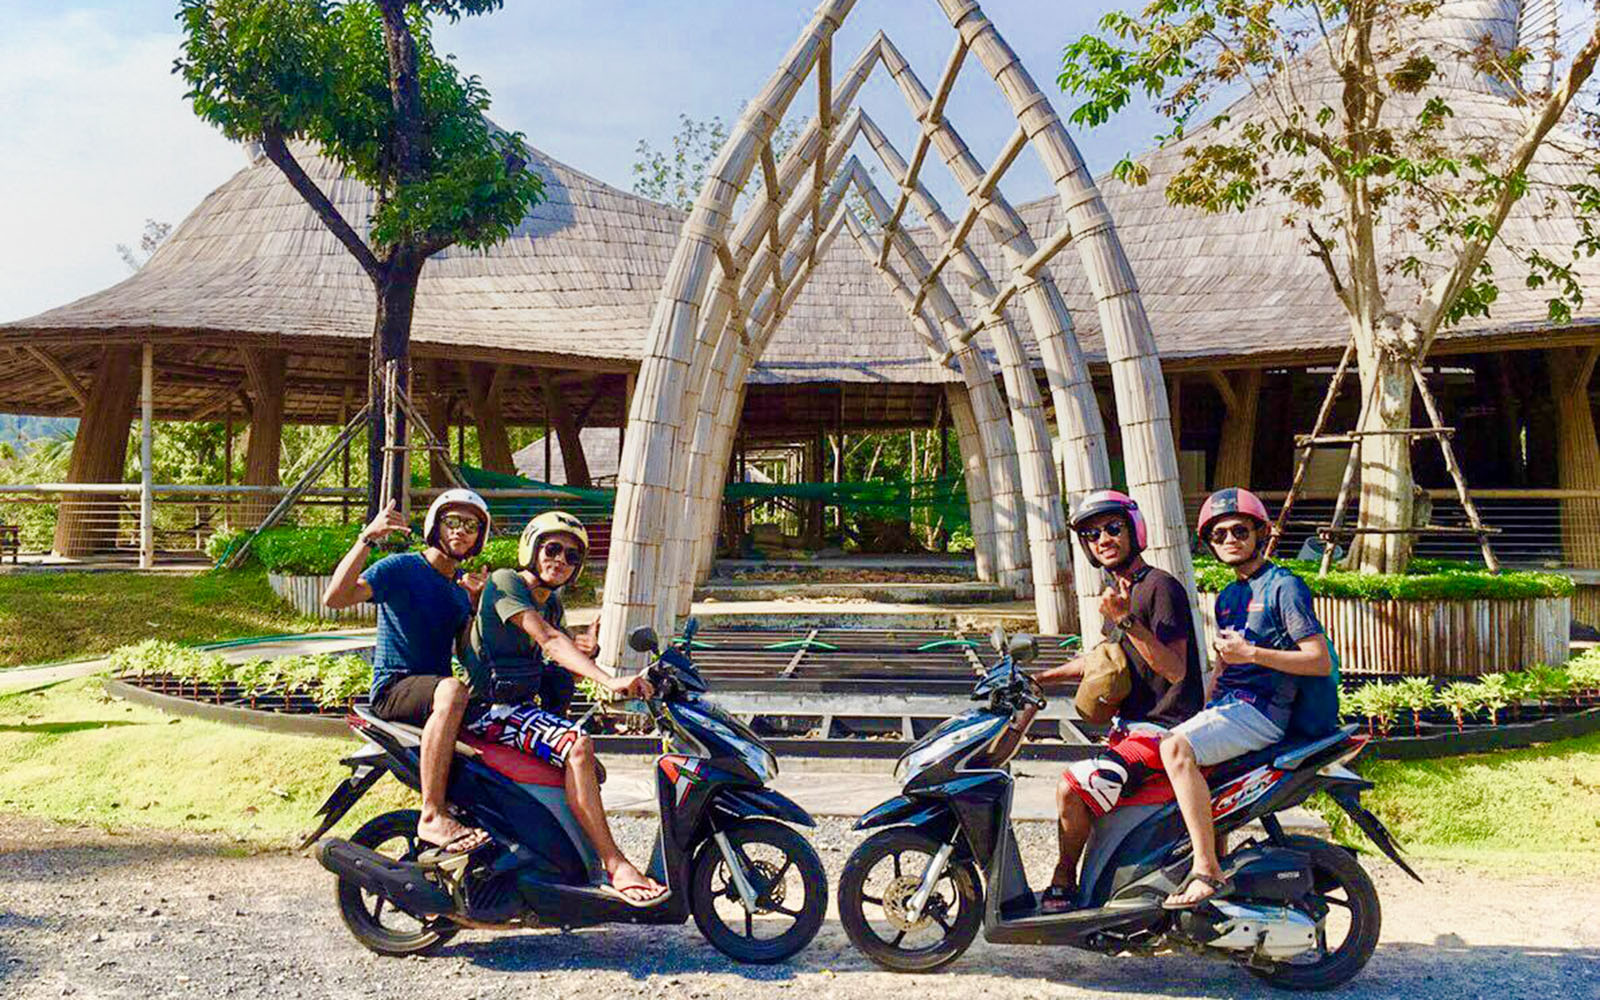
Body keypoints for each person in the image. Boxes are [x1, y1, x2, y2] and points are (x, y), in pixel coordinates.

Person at [460, 511, 666, 905]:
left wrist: (587, 649)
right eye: (552, 549)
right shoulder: (506, 582)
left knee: (586, 762)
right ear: (533, 550)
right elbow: (549, 640)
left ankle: (566, 861)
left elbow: (556, 655)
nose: (560, 560)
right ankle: (615, 863)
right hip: (490, 711)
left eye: (572, 556)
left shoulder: (550, 603)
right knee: (578, 746)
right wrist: (608, 678)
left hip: (517, 710)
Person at [1028, 490, 1204, 913]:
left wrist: (1126, 619)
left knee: (1072, 788)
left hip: (1162, 733)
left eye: (1112, 528)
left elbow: (1176, 669)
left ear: (1133, 530)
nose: (1103, 539)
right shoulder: (1121, 592)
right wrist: (1040, 678)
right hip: (1131, 733)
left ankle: (1064, 879)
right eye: (1091, 534)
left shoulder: (1159, 587)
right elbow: (1105, 660)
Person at [1160, 487, 1332, 909]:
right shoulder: (1228, 597)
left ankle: (1207, 870)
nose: (1229, 540)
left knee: (1176, 748)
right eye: (1218, 536)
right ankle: (1211, 863)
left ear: (1261, 532)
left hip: (1264, 710)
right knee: (1165, 753)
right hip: (1231, 707)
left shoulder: (1285, 587)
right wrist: (1207, 703)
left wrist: (1251, 654)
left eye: (1239, 530)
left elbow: (1318, 660)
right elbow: (1225, 662)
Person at [323, 489, 492, 856]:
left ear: (480, 536)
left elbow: (469, 654)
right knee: (452, 690)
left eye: (471, 526)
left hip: (433, 693)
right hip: (395, 688)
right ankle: (432, 813)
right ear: (435, 526)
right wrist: (366, 539)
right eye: (452, 522)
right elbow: (335, 598)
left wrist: (478, 608)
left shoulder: (461, 589)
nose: (460, 532)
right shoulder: (401, 568)